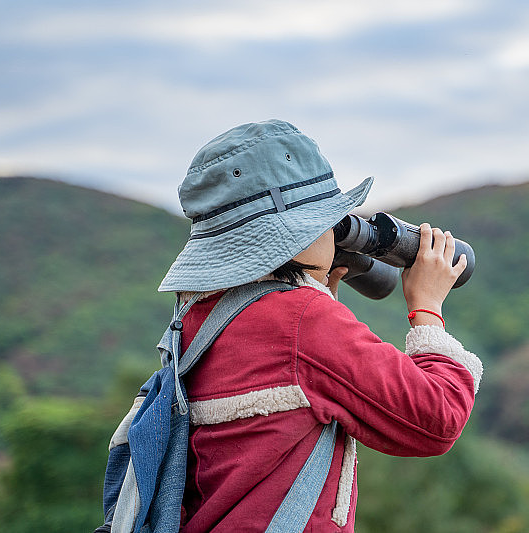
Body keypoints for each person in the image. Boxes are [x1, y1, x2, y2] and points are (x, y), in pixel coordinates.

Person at [157, 119, 483, 532]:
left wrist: (317, 287)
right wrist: (427, 307)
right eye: (327, 221)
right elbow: (436, 419)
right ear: (297, 234)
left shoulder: (195, 318)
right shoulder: (301, 319)